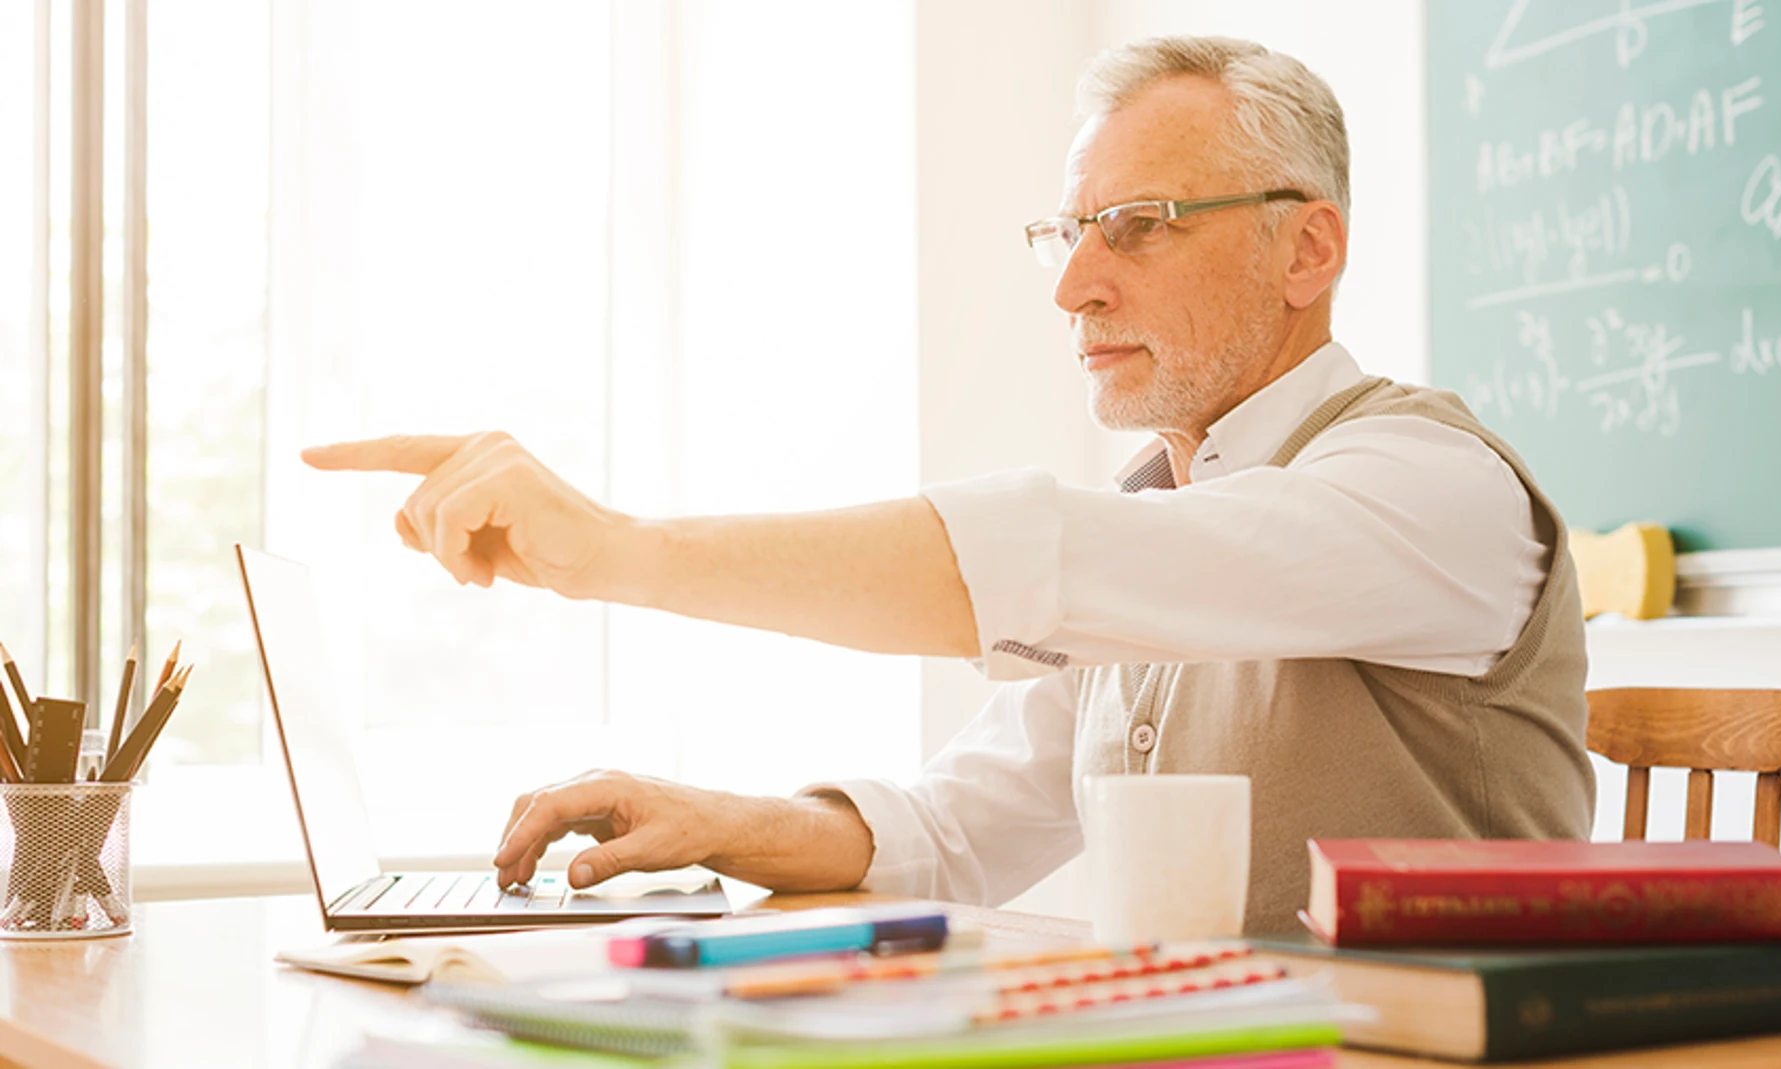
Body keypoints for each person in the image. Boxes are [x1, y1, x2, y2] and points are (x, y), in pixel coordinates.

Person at [303, 36, 1595, 933]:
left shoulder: (1429, 488)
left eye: (1139, 225)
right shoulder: (1162, 513)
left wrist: (619, 551)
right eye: (1067, 231)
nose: (1074, 285)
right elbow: (966, 827)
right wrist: (715, 821)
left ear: (1307, 245)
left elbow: (1040, 553)